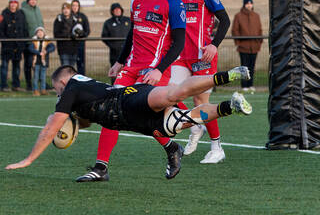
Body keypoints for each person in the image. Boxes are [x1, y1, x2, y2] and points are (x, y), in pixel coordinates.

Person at [5, 65, 252, 176]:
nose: (57, 95)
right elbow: (88, 121)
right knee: (182, 121)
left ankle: (227, 75)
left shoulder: (70, 86)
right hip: (129, 120)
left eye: (55, 90)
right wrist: (75, 124)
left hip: (125, 101)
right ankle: (230, 106)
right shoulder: (79, 94)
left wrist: (28, 159)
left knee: (172, 94)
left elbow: (51, 128)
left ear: (62, 82)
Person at [77, 0, 186, 183]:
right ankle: (101, 168)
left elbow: (179, 43)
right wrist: (119, 61)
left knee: (141, 116)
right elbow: (132, 34)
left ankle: (173, 145)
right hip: (130, 67)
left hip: (155, 70)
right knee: (110, 111)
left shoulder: (174, 3)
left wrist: (159, 69)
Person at [169, 0, 231, 164]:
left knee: (200, 101)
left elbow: (225, 20)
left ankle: (217, 148)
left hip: (202, 56)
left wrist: (214, 44)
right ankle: (195, 126)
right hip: (180, 56)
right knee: (170, 94)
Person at [231, 0, 263, 93]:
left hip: (254, 47)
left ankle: (250, 84)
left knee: (252, 67)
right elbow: (235, 30)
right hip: (243, 47)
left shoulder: (256, 16)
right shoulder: (238, 16)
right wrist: (238, 43)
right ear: (244, 5)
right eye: (247, 3)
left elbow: (259, 29)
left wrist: (259, 42)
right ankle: (244, 85)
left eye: (250, 3)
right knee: (244, 67)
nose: (249, 5)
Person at [0, 0, 28, 92]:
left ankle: (16, 85)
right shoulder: (4, 14)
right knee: (4, 67)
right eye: (11, 2)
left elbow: (24, 29)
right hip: (7, 46)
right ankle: (3, 85)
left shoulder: (21, 14)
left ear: (17, 4)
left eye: (15, 2)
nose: (13, 4)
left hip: (18, 46)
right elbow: (1, 30)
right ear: (9, 3)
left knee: (16, 67)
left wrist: (23, 42)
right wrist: (5, 41)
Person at [101, 3, 131, 84]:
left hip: (129, 52)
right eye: (115, 10)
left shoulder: (128, 20)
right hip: (115, 53)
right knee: (115, 72)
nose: (117, 11)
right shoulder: (108, 23)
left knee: (127, 71)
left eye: (119, 9)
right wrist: (112, 46)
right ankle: (114, 88)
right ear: (112, 11)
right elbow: (104, 36)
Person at [21, 0, 44, 91]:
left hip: (39, 42)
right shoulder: (24, 10)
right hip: (29, 42)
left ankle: (39, 83)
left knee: (39, 63)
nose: (33, 1)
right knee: (28, 63)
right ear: (28, 0)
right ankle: (29, 84)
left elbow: (41, 23)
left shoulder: (38, 9)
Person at [29, 27, 55, 96]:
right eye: (38, 32)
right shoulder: (34, 41)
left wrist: (46, 51)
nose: (40, 33)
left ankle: (43, 90)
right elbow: (30, 49)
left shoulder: (47, 41)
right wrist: (38, 53)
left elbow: (52, 47)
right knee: (36, 77)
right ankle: (35, 90)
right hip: (36, 62)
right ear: (36, 34)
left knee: (43, 77)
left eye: (41, 32)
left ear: (44, 33)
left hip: (44, 62)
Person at [71, 0, 90, 75]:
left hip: (80, 44)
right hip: (71, 44)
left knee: (81, 64)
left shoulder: (83, 16)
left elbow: (87, 30)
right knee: (71, 64)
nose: (75, 7)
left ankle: (82, 82)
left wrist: (82, 34)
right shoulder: (69, 16)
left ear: (79, 7)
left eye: (76, 5)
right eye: (73, 5)